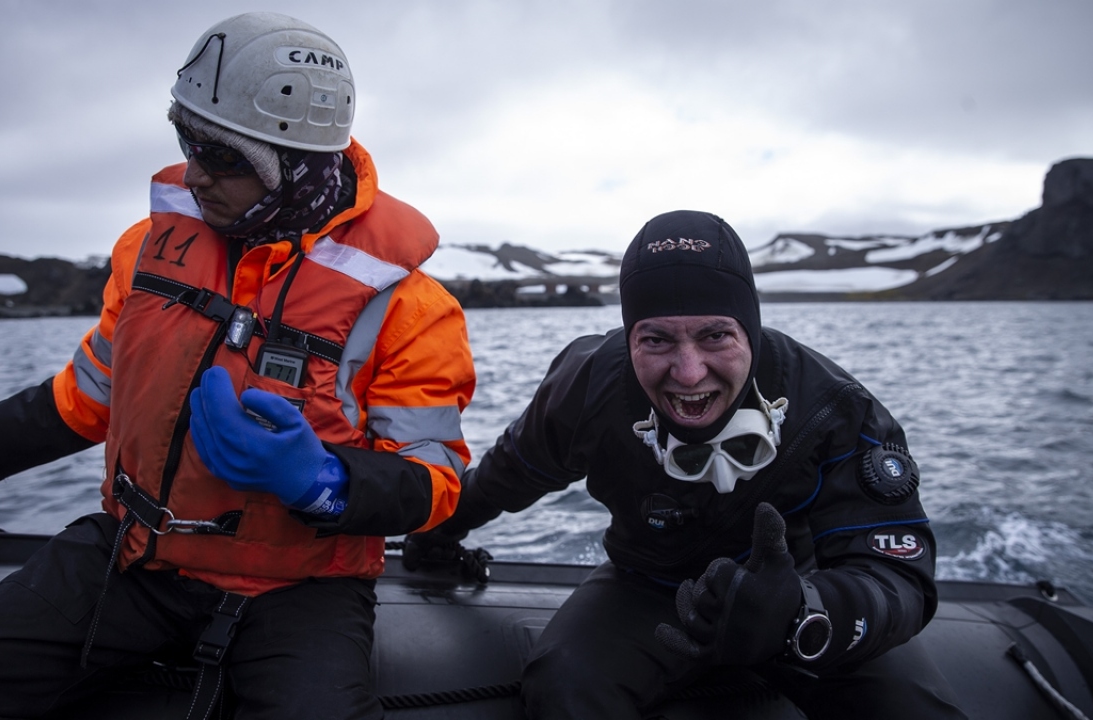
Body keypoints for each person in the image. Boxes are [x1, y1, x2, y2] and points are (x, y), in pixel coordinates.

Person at [0, 12, 474, 720]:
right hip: (133, 555)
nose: (198, 174)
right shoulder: (146, 250)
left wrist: (323, 482)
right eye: (188, 142)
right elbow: (88, 396)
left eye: (226, 157)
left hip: (303, 588)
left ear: (295, 167)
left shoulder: (412, 308)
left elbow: (436, 482)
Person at [404, 210, 967, 718]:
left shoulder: (830, 406)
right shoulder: (591, 384)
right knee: (565, 687)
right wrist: (438, 531)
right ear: (630, 338)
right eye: (656, 340)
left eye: (716, 335)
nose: (689, 372)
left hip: (797, 593)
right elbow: (512, 471)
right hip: (647, 588)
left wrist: (802, 610)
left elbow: (899, 577)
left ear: (751, 329)